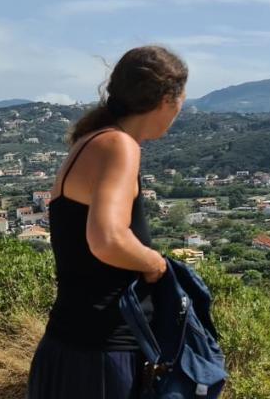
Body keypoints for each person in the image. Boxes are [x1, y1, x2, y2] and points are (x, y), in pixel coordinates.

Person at [28, 45, 188, 399]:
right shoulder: (119, 145)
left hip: (68, 345)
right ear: (166, 99)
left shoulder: (90, 141)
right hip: (102, 354)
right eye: (182, 101)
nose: (180, 111)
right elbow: (107, 239)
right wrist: (156, 264)